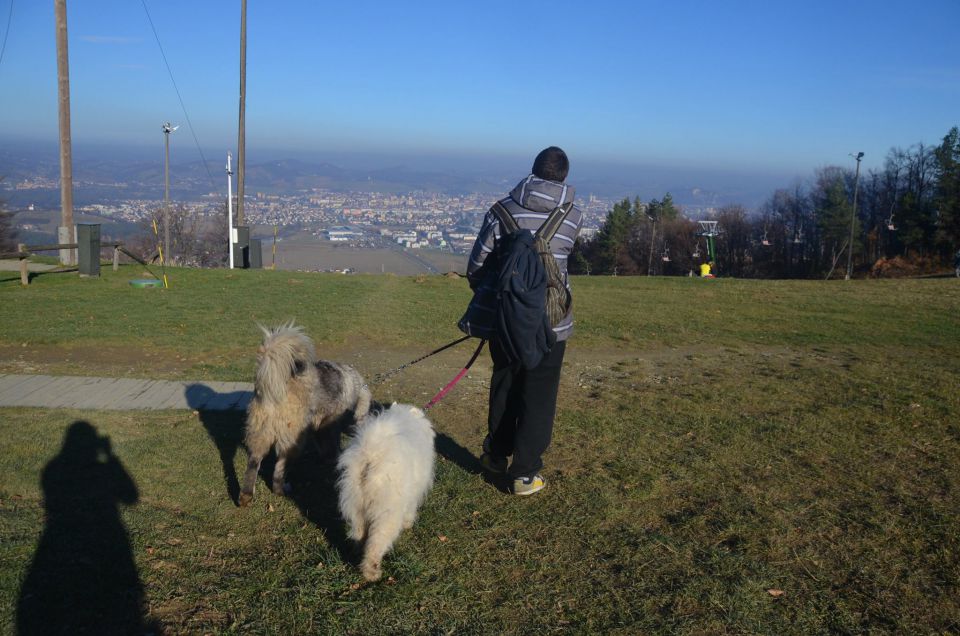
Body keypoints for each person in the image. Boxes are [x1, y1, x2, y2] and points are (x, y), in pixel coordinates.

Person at [465, 146, 583, 496]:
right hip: (551, 322)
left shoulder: (501, 211)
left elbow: (476, 265)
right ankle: (525, 474)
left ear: (532, 171)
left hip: (506, 320)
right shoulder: (573, 216)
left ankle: (495, 455)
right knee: (540, 393)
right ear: (564, 176)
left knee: (504, 385)